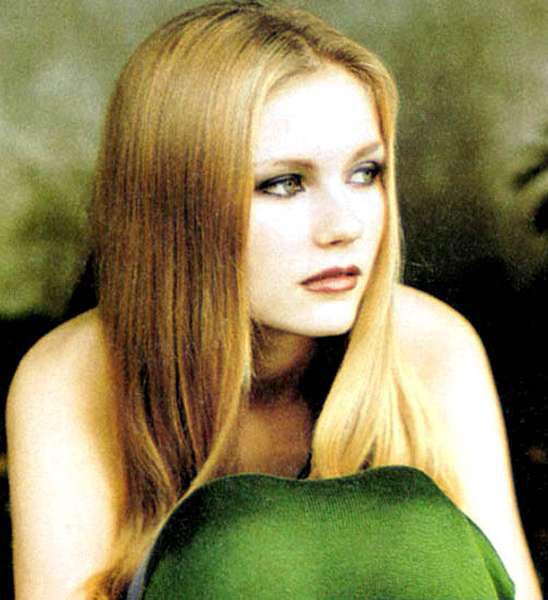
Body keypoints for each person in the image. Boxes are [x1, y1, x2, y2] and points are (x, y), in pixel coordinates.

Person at [5, 1, 542, 598]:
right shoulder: (72, 377)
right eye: (284, 183)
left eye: (365, 172)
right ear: (176, 203)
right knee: (240, 549)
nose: (345, 225)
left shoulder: (430, 346)